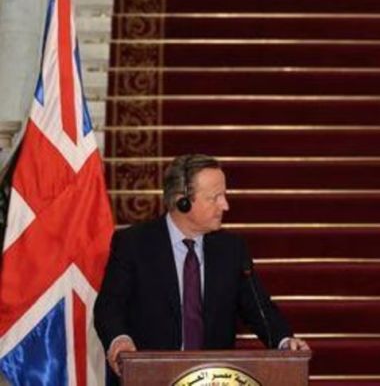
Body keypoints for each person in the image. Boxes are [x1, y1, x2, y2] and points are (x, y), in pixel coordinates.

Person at [94, 154, 309, 378]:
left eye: (224, 195)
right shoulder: (134, 244)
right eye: (215, 197)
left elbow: (258, 308)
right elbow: (109, 307)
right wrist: (119, 340)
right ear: (183, 201)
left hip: (213, 377)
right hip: (149, 376)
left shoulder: (231, 249)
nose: (225, 205)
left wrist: (285, 341)